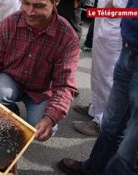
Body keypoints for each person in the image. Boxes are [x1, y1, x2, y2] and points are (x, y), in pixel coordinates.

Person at [0, 0, 80, 141]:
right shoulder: (8, 24)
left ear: (55, 2)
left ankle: (40, 121)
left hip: (41, 92)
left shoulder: (68, 38)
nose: (29, 12)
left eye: (39, 6)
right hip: (11, 81)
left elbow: (64, 86)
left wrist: (51, 118)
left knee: (37, 128)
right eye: (26, 3)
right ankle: (11, 116)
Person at [58, 0, 138, 174]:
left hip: (122, 28)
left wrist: (119, 8)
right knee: (112, 122)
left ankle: (99, 117)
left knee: (130, 149)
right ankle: (94, 166)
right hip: (129, 42)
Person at [73, 0, 128, 136]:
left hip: (116, 17)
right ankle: (96, 108)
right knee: (98, 70)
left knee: (108, 74)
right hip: (105, 17)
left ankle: (103, 120)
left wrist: (116, 3)